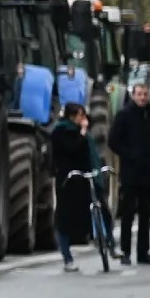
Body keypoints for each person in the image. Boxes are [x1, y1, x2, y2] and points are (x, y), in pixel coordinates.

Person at [108, 81, 150, 265]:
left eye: (145, 94)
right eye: (139, 94)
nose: (142, 97)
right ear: (133, 95)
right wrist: (129, 155)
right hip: (130, 171)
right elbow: (113, 141)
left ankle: (143, 252)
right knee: (128, 213)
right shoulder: (124, 115)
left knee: (146, 213)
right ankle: (125, 251)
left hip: (147, 171)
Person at [50, 104, 94, 272]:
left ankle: (105, 243)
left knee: (93, 209)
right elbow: (73, 149)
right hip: (66, 180)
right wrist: (82, 134)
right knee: (64, 219)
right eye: (80, 116)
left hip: (82, 178)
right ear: (71, 116)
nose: (82, 120)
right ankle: (67, 256)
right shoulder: (60, 132)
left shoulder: (80, 132)